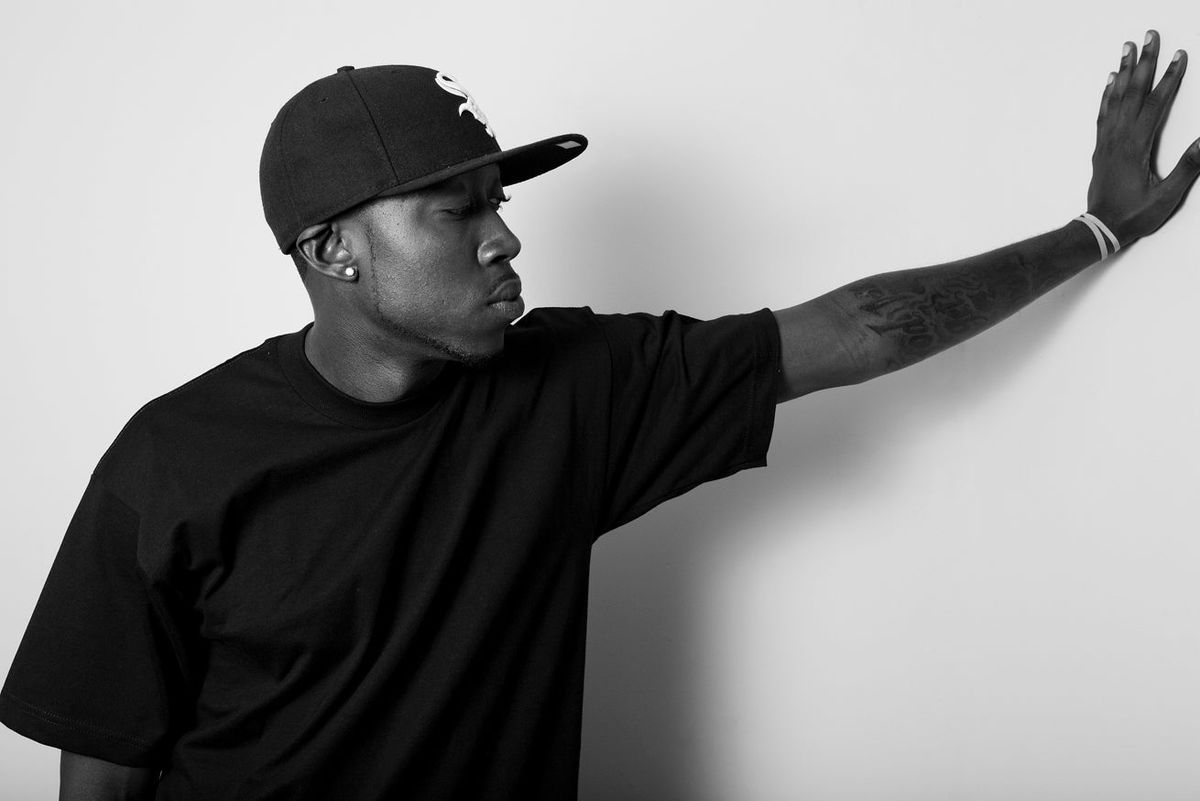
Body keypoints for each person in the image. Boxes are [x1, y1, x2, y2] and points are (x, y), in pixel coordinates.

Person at [2, 31, 1197, 801]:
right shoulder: (175, 460)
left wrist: (1100, 229)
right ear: (334, 251)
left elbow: (862, 326)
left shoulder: (572, 386)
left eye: (500, 201)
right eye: (457, 210)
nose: (505, 237)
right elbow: (100, 773)